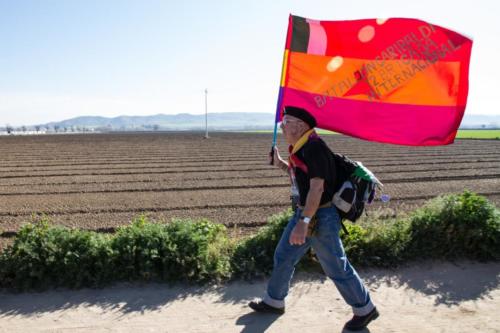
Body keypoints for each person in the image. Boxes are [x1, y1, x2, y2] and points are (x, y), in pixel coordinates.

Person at [248, 106, 379, 331]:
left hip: (320, 216)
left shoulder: (314, 147)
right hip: (307, 213)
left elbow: (317, 188)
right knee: (284, 255)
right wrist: (280, 163)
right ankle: (274, 301)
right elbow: (303, 177)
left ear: (300, 126)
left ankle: (364, 309)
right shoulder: (302, 147)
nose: (282, 126)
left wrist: (305, 222)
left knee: (336, 266)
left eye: (286, 121)